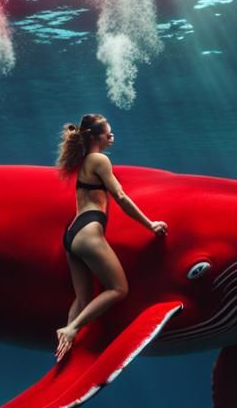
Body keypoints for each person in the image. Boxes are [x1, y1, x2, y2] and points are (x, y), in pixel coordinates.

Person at [54, 114, 168, 362]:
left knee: (83, 298)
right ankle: (71, 330)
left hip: (72, 234)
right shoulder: (99, 159)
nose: (112, 137)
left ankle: (63, 346)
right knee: (118, 289)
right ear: (95, 137)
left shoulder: (85, 160)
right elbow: (121, 198)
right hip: (88, 233)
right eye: (108, 133)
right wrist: (150, 225)